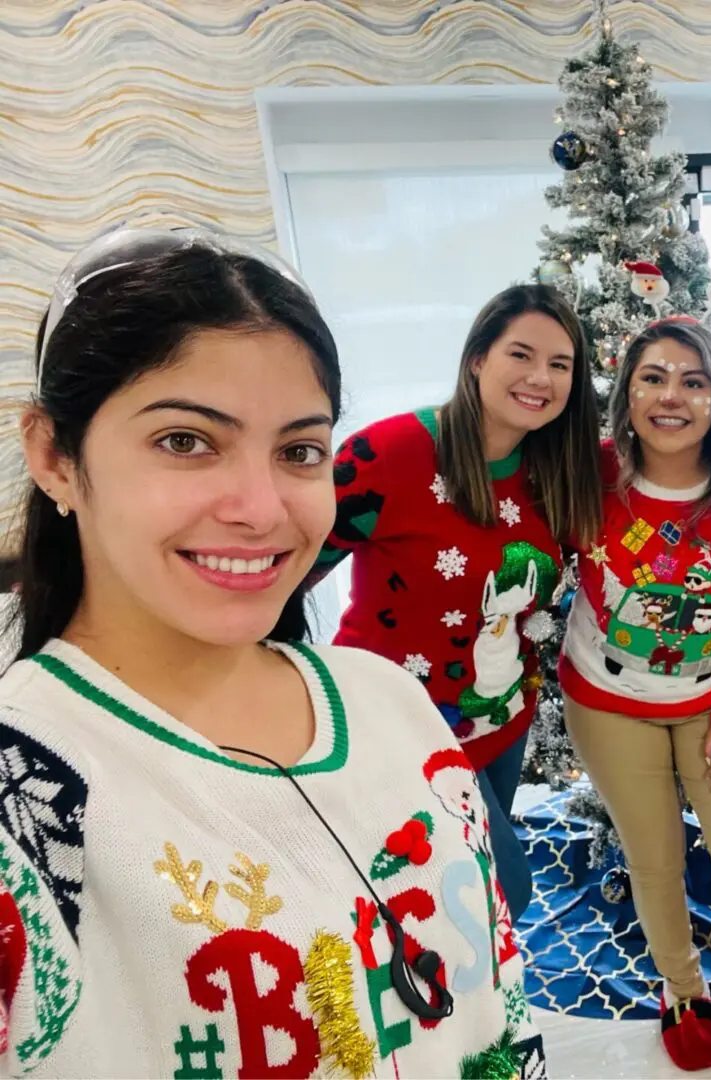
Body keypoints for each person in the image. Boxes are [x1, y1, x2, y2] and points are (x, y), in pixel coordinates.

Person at [2, 227, 544, 1076]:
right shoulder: (27, 799)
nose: (261, 508)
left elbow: (500, 1006)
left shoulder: (388, 705)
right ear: (54, 457)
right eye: (186, 441)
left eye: (299, 451)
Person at [308, 284, 603, 919]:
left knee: (465, 903)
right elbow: (287, 574)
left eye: (560, 364)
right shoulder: (388, 455)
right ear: (477, 358)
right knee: (502, 893)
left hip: (503, 717)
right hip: (400, 731)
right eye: (520, 354)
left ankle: (483, 1011)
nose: (539, 378)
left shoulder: (555, 470)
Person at [560, 317, 711, 1071]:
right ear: (627, 394)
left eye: (693, 381)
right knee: (655, 859)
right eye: (654, 378)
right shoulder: (587, 477)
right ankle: (682, 990)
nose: (672, 396)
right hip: (607, 703)